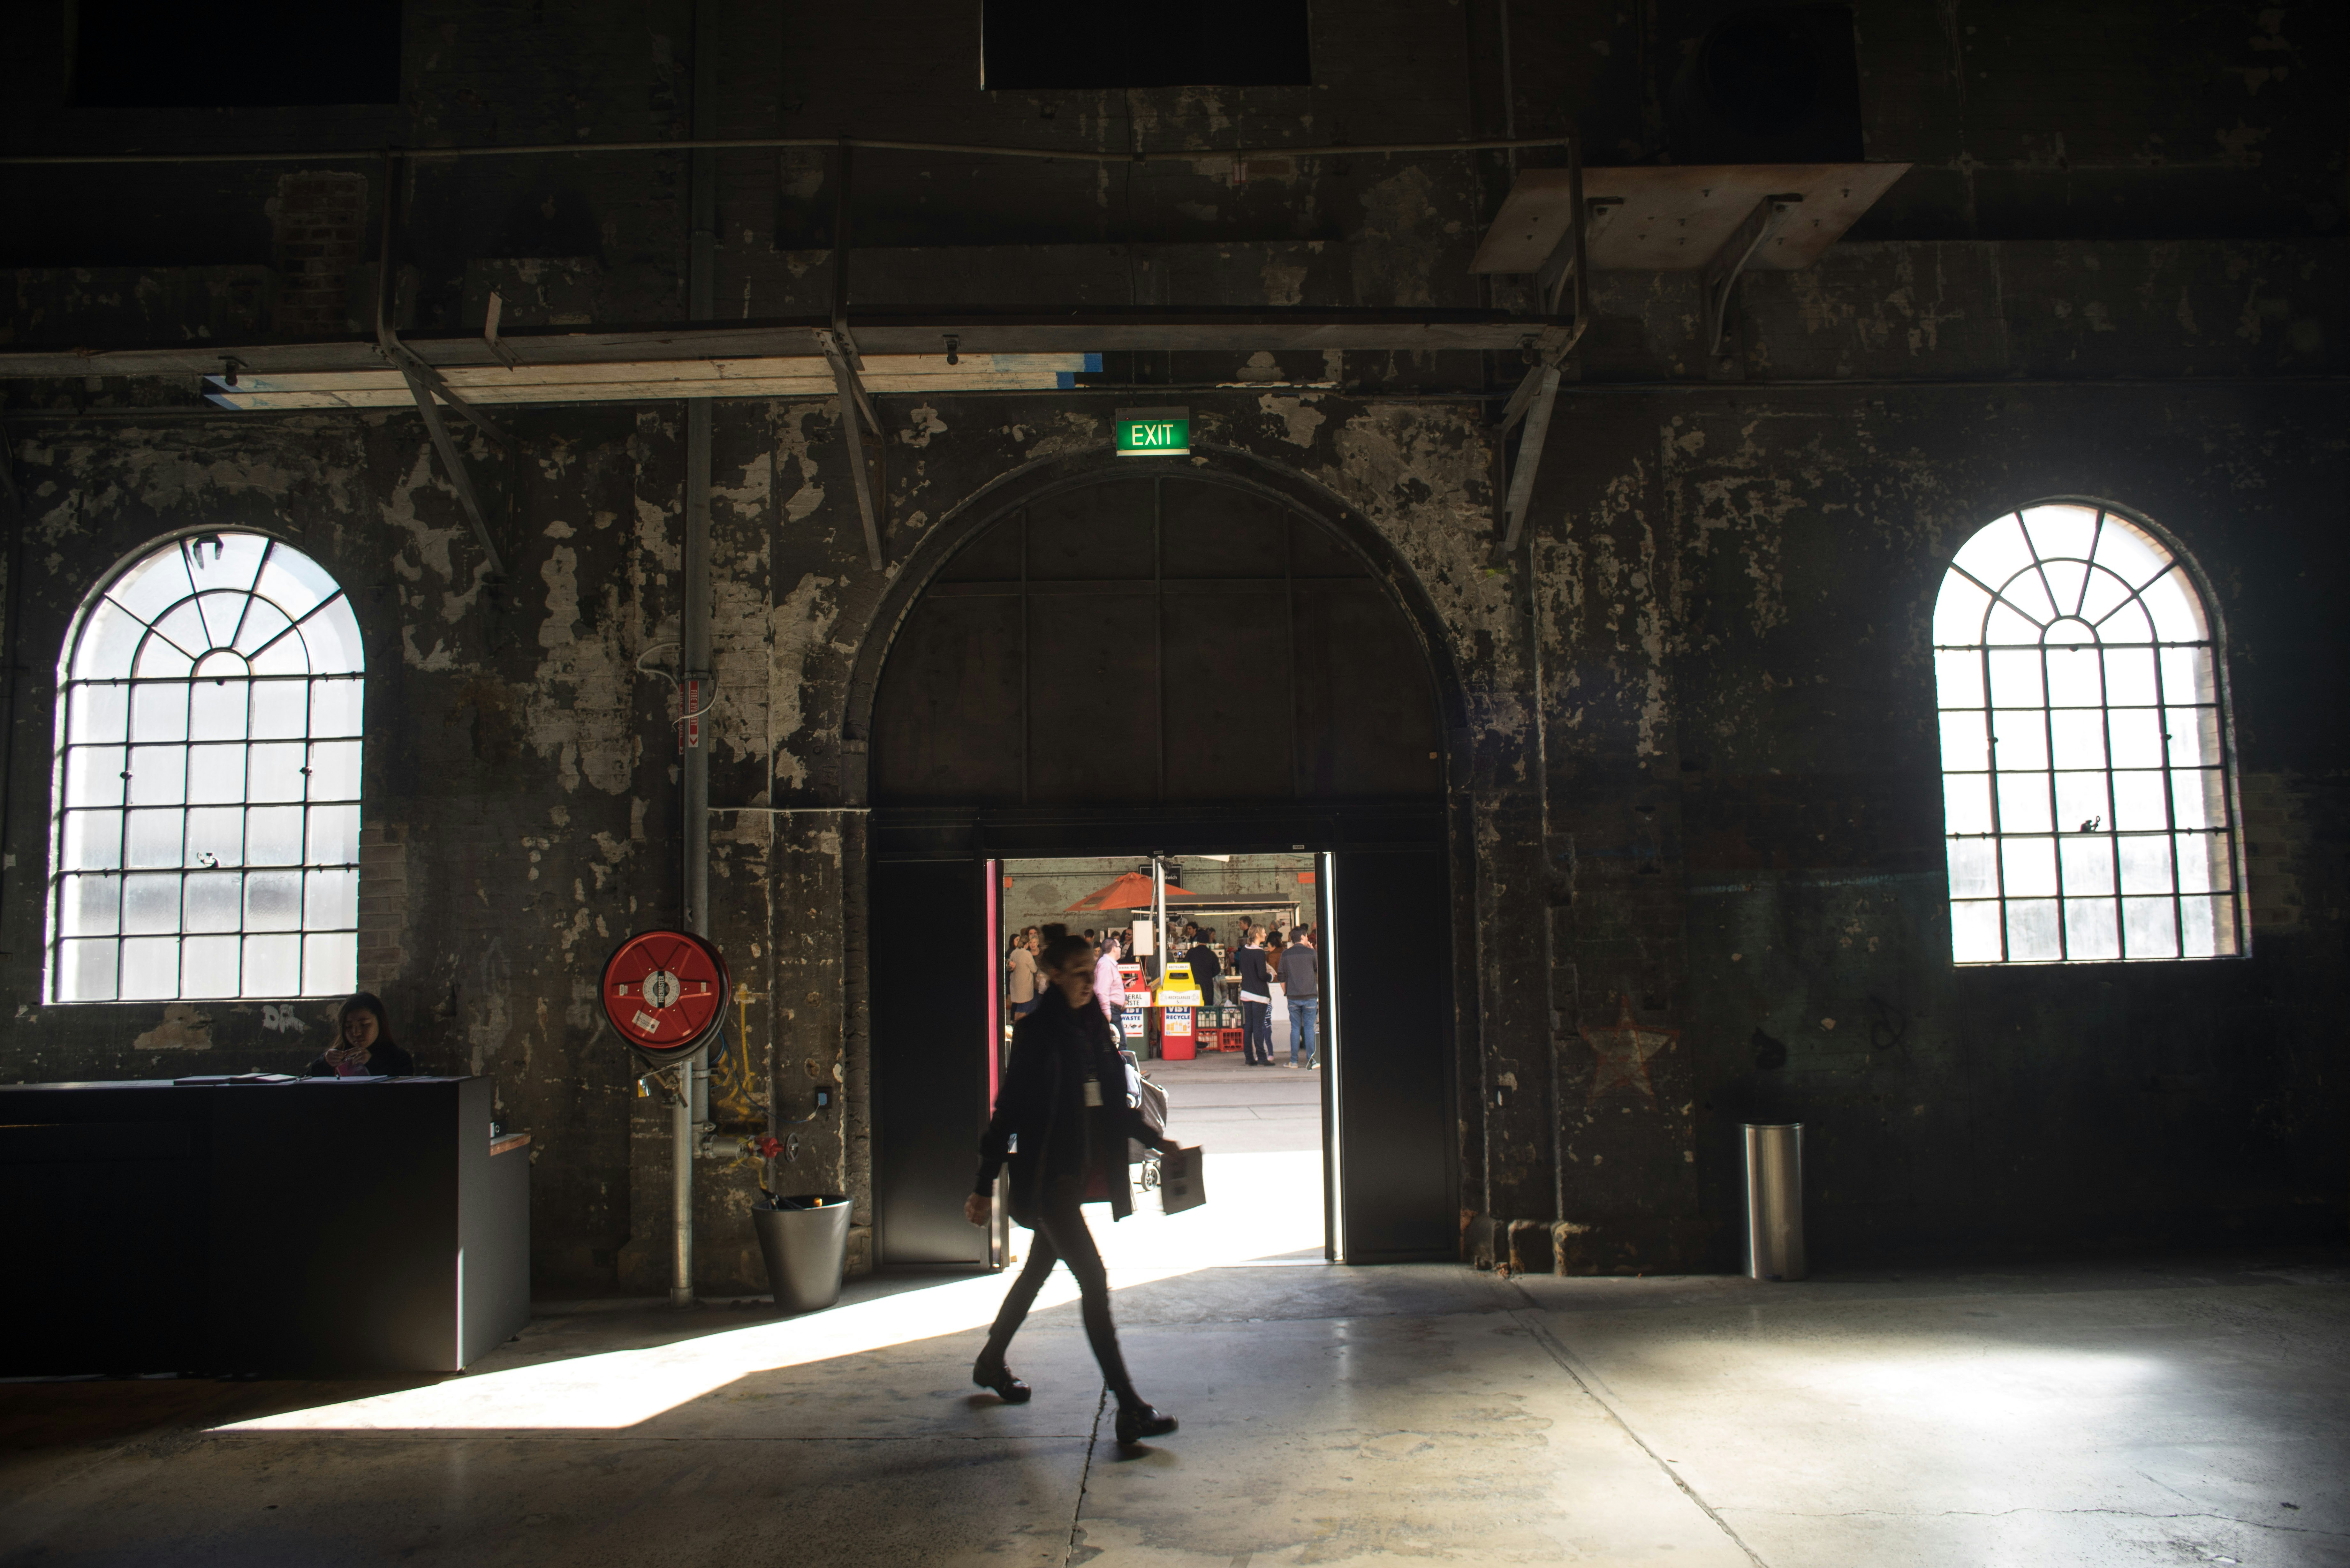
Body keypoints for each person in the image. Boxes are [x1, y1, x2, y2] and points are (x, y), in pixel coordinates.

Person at [966, 925, 1179, 1448]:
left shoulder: (1092, 1025)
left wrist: (1156, 1141)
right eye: (1079, 973)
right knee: (1094, 1279)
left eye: (1091, 973)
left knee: (1037, 1271)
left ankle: (991, 1361)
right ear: (1055, 975)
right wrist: (984, 1184)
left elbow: (1112, 1102)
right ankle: (1129, 1407)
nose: (1088, 981)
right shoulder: (1038, 1032)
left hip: (1073, 1174)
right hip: (1046, 1181)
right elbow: (1007, 1111)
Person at [307, 992, 415, 1077]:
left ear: (380, 1023)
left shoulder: (399, 1058)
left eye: (364, 1025)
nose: (356, 1033)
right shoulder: (336, 1057)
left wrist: (372, 1063)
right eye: (349, 1027)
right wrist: (324, 1063)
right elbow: (304, 1086)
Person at [1280, 926, 1321, 1068]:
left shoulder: (1285, 954)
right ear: (1303, 937)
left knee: (1295, 1028)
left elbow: (1281, 977)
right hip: (1310, 996)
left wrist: (1287, 993)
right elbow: (1320, 969)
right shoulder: (1311, 953)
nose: (1308, 939)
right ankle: (1312, 1061)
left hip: (1293, 997)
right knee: (1309, 1028)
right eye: (1307, 937)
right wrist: (1312, 950)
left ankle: (1294, 1062)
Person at [1235, 927, 1273, 1066]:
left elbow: (1242, 970)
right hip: (1259, 995)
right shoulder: (1259, 952)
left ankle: (1249, 1057)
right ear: (1257, 935)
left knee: (1249, 1026)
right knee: (1258, 1026)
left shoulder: (1244, 950)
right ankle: (1262, 1057)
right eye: (1263, 932)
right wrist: (1271, 976)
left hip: (1246, 992)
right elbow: (1262, 975)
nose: (1266, 934)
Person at [1093, 936, 1126, 1028]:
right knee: (1120, 1038)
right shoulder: (1106, 965)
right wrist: (1107, 1014)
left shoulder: (1109, 964)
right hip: (1111, 1011)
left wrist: (1124, 986)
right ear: (1114, 949)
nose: (1121, 949)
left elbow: (1109, 986)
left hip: (1114, 1011)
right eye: (1120, 947)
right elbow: (1102, 991)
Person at [1006, 931, 1040, 1018]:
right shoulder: (1027, 954)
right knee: (1026, 1008)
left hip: (1015, 986)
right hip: (1025, 987)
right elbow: (1034, 969)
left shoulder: (1014, 953)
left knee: (1019, 1008)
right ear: (1027, 944)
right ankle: (1020, 1024)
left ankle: (1016, 1024)